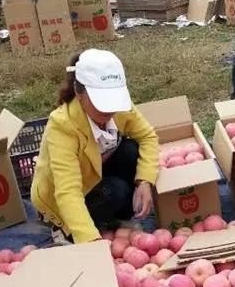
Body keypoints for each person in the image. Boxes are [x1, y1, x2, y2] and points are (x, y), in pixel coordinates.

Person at [31, 48, 159, 243]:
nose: (109, 109)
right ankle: (64, 229)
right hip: (64, 194)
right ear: (79, 92)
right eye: (101, 101)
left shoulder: (120, 108)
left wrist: (144, 181)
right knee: (116, 191)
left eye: (112, 100)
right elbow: (68, 191)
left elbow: (148, 136)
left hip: (96, 170)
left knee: (130, 151)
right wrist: (91, 242)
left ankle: (118, 219)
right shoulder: (63, 126)